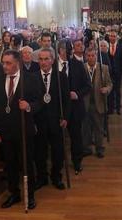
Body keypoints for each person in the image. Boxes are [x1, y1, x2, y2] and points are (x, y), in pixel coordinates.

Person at [0, 50, 42, 209]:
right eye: (3, 62)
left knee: (26, 163)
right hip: (6, 131)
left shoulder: (30, 79)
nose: (4, 66)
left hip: (24, 129)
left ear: (17, 63)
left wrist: (29, 106)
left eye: (8, 63)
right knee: (10, 164)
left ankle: (30, 195)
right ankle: (14, 193)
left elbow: (40, 102)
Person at [34, 48, 70, 189]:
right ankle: (42, 177)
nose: (43, 62)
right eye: (41, 59)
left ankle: (56, 177)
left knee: (58, 151)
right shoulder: (33, 77)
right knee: (40, 152)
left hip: (56, 120)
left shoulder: (60, 76)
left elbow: (66, 99)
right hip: (39, 121)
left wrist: (65, 117)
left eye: (46, 59)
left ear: (52, 60)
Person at [57, 42, 91, 173]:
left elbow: (87, 86)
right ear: (60, 51)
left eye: (70, 49)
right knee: (58, 139)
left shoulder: (78, 65)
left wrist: (77, 94)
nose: (70, 52)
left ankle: (77, 161)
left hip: (75, 108)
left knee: (76, 137)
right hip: (58, 109)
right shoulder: (53, 66)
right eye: (67, 50)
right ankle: (59, 164)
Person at [83, 47, 113, 159]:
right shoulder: (82, 68)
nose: (91, 58)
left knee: (99, 128)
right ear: (86, 56)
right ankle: (86, 148)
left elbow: (110, 84)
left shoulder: (103, 68)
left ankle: (100, 148)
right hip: (85, 104)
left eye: (93, 55)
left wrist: (107, 89)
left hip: (98, 103)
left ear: (96, 56)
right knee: (85, 128)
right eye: (88, 56)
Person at [107, 31, 122, 114]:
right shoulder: (106, 46)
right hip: (108, 73)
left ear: (116, 37)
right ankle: (111, 108)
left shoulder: (121, 47)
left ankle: (118, 108)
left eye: (114, 36)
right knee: (110, 91)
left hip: (118, 72)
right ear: (109, 37)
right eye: (111, 36)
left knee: (117, 91)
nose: (112, 37)